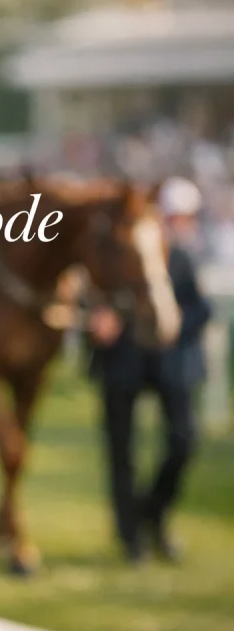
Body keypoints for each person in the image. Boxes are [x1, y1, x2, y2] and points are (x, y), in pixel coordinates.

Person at [86, 176, 212, 564]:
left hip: (170, 362)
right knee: (121, 450)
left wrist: (174, 328)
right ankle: (131, 537)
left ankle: (152, 514)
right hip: (124, 359)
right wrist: (99, 320)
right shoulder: (118, 249)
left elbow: (199, 307)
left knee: (183, 439)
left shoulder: (183, 256)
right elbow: (92, 296)